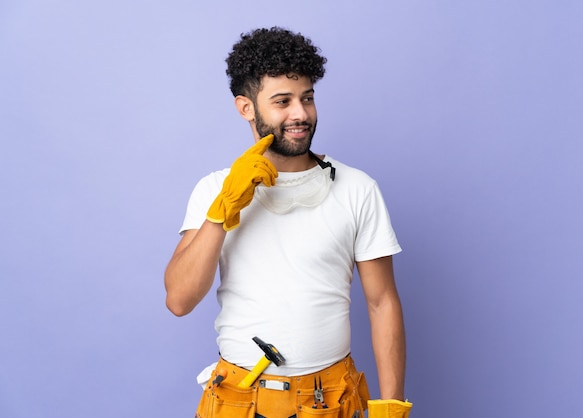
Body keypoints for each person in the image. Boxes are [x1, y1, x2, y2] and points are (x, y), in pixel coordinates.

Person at [164, 27, 412, 418]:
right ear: (246, 107)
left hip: (328, 400)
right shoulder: (214, 188)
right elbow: (179, 300)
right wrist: (220, 213)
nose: (300, 114)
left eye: (307, 98)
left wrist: (391, 406)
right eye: (283, 101)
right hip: (238, 400)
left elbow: (382, 303)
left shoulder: (356, 188)